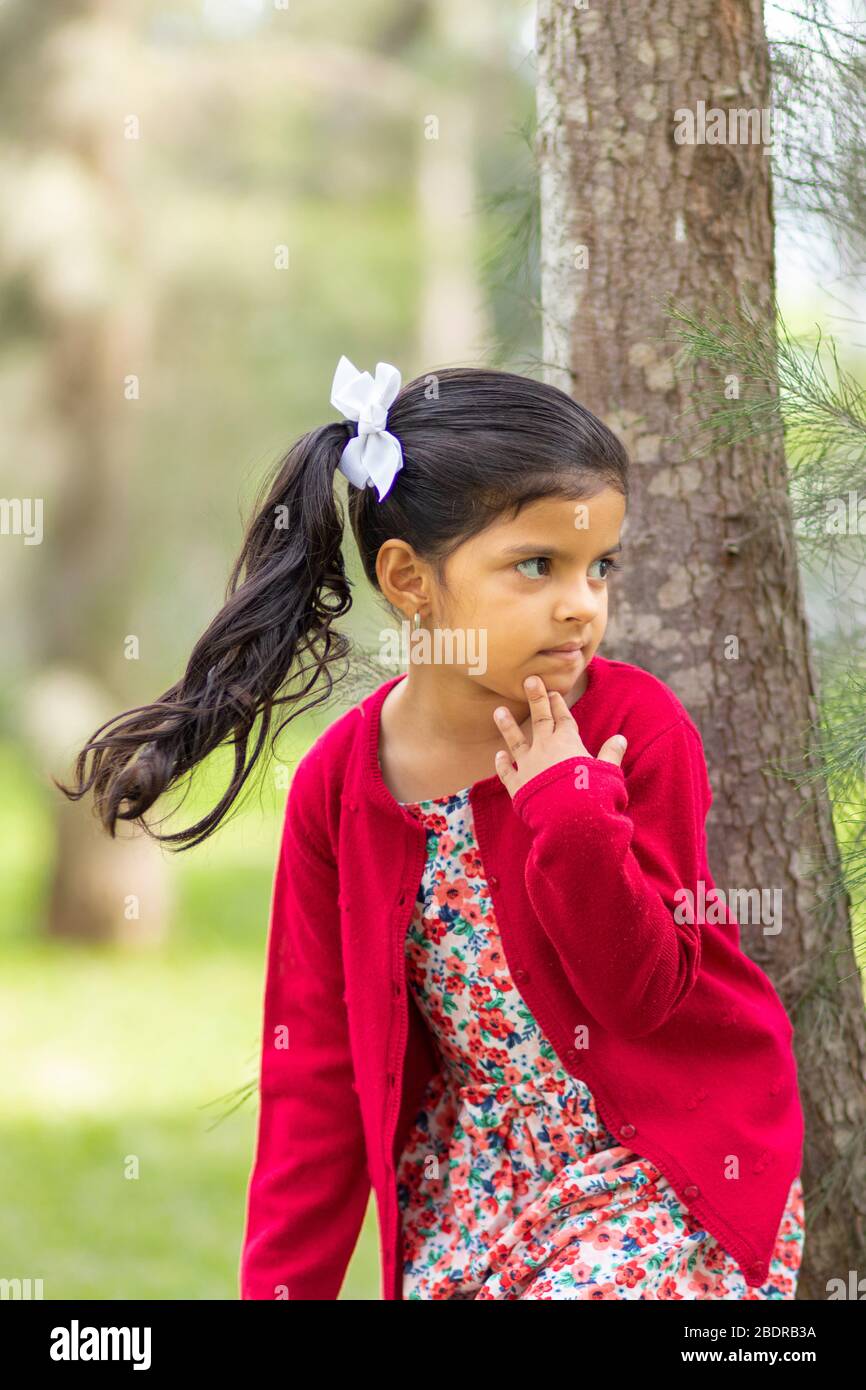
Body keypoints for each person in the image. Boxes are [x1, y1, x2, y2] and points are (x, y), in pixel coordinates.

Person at [57, 354, 805, 1300]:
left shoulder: (633, 731)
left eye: (599, 566)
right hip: (476, 1195)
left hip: (667, 1172)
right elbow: (315, 1078)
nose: (582, 602)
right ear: (410, 579)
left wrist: (572, 813)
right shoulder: (340, 785)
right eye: (537, 565)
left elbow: (644, 998)